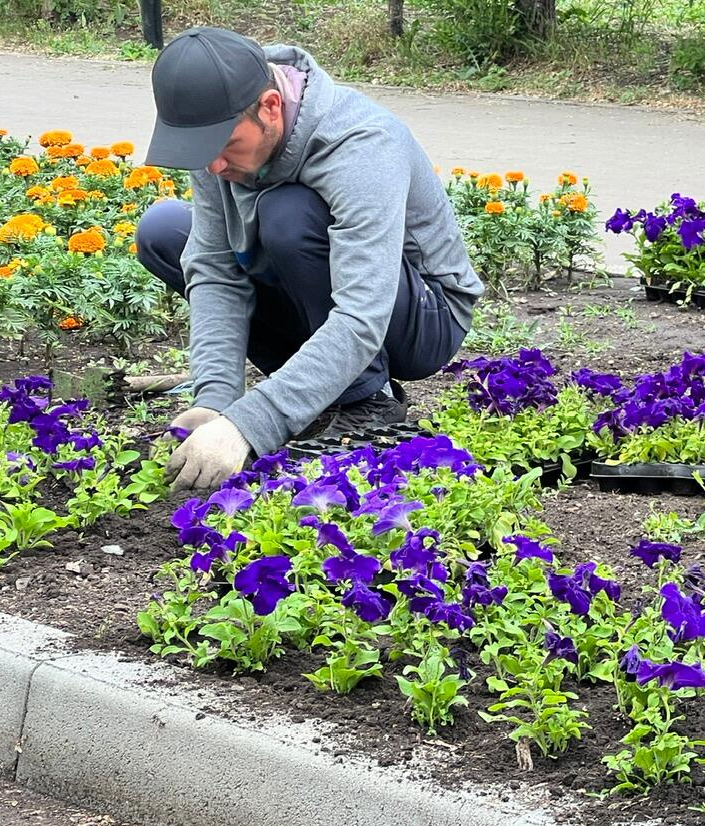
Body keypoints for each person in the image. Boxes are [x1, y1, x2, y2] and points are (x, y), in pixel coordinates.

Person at [136, 26, 484, 492]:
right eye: (202, 153)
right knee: (164, 231)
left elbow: (362, 316)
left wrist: (250, 425)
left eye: (224, 148)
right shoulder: (220, 136)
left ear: (271, 107)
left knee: (286, 213)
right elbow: (217, 269)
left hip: (420, 317)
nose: (214, 166)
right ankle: (318, 385)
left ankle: (368, 400)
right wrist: (216, 402)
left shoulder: (362, 145)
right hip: (321, 298)